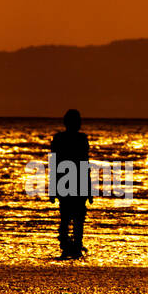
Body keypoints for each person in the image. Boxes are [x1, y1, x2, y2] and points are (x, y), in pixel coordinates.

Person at [49, 109, 92, 258]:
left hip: (69, 182)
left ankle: (72, 245)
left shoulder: (61, 139)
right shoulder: (79, 139)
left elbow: (54, 164)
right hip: (72, 182)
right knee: (73, 217)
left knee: (69, 217)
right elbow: (84, 164)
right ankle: (72, 246)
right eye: (77, 121)